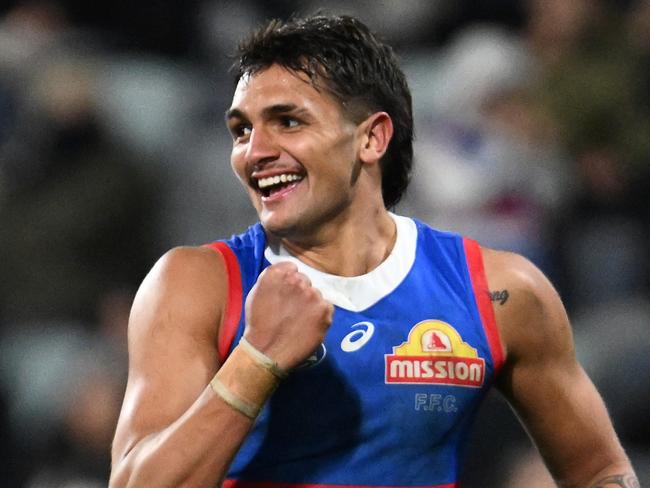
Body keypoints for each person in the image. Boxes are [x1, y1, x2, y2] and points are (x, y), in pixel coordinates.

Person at [109, 15, 639, 488]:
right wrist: (256, 361)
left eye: (287, 121)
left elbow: (599, 471)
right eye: (241, 129)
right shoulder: (195, 284)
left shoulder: (498, 292)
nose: (254, 152)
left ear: (371, 139)